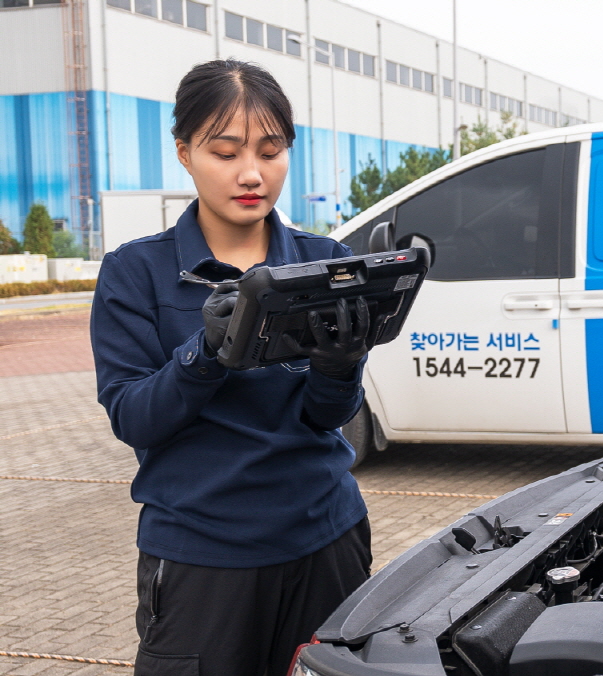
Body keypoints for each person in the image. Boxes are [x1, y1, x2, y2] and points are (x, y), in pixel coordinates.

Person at [91, 59, 372, 676]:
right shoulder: (135, 273)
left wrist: (339, 364)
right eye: (225, 152)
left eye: (272, 151)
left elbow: (329, 417)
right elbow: (134, 418)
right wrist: (205, 353)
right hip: (202, 559)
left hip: (327, 542)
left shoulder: (326, 261)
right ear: (185, 152)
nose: (252, 173)